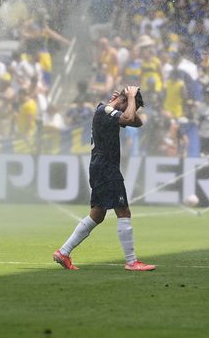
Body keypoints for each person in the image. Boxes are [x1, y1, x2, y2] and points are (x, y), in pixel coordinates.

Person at [53, 86, 156, 271]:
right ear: (124, 101)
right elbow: (129, 117)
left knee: (97, 215)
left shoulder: (109, 110)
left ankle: (63, 252)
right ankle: (132, 262)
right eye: (132, 104)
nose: (133, 109)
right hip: (106, 168)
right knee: (123, 211)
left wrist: (129, 100)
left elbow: (136, 122)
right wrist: (131, 97)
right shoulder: (107, 110)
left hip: (100, 166)